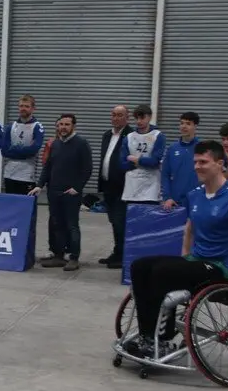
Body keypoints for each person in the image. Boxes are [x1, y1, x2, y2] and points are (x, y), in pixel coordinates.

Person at [126, 140, 228, 358]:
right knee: (140, 266)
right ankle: (147, 335)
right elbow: (190, 227)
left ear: (220, 164)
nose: (197, 166)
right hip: (196, 262)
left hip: (221, 269)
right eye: (195, 162)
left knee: (162, 272)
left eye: (203, 162)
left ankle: (162, 340)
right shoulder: (195, 195)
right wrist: (184, 257)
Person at [28, 114, 93, 271]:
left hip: (71, 194)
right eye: (61, 124)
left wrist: (77, 188)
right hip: (54, 192)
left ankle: (74, 258)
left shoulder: (81, 143)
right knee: (56, 224)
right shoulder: (56, 143)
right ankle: (58, 255)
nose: (63, 127)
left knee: (72, 225)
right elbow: (48, 167)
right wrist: (39, 185)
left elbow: (87, 169)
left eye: (67, 124)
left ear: (73, 126)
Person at [97, 105, 134, 268]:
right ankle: (117, 252)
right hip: (108, 185)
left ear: (127, 117)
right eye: (113, 115)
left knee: (120, 222)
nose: (116, 118)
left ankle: (122, 255)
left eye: (120, 115)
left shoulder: (131, 135)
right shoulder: (107, 135)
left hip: (122, 186)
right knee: (113, 221)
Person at [120, 104, 166, 204]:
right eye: (137, 118)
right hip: (132, 189)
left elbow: (155, 162)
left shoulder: (158, 136)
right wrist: (143, 162)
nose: (139, 121)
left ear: (149, 117)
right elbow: (122, 164)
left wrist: (137, 160)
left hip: (151, 190)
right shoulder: (129, 137)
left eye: (142, 118)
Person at [2, 95, 44, 195]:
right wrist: (25, 151)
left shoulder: (37, 126)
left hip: (27, 175)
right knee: (9, 203)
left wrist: (14, 149)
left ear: (33, 108)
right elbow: (4, 151)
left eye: (26, 106)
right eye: (21, 106)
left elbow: (34, 149)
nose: (23, 108)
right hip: (9, 174)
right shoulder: (11, 126)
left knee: (26, 204)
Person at [160, 111, 201, 210]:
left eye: (188, 124)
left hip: (198, 201)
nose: (184, 126)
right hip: (175, 202)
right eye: (182, 123)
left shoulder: (202, 148)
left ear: (195, 126)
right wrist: (167, 197)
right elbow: (165, 174)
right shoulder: (172, 149)